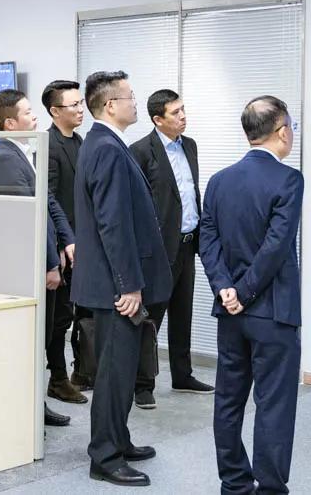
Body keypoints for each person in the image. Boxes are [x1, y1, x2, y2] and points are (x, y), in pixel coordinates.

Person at [71, 71, 172, 488]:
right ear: (111, 105)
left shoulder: (105, 144)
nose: (135, 102)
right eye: (130, 96)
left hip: (112, 281)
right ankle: (105, 456)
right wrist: (128, 285)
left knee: (123, 369)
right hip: (115, 287)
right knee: (114, 374)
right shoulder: (107, 149)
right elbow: (112, 223)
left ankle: (119, 439)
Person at [199, 96, 304, 495]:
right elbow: (276, 247)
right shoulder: (288, 179)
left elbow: (207, 240)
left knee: (228, 400)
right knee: (273, 403)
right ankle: (270, 488)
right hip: (272, 311)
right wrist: (243, 292)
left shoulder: (219, 180)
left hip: (229, 312)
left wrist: (225, 288)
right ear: (282, 132)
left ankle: (234, 484)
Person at [0, 88, 76, 429]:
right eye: (27, 112)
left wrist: (68, 239)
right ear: (10, 123)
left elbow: (48, 202)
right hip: (28, 265)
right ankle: (27, 412)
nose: (35, 116)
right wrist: (50, 264)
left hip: (44, 258)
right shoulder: (5, 159)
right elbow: (28, 220)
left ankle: (36, 404)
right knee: (31, 342)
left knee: (43, 338)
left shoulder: (22, 151)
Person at [129, 89, 214, 410]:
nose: (183, 116)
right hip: (158, 250)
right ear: (157, 119)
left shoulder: (189, 145)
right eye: (175, 113)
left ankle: (182, 375)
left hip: (188, 244)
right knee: (152, 317)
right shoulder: (140, 151)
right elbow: (137, 205)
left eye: (183, 109)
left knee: (182, 313)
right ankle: (143, 383)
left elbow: (189, 193)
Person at [41, 80, 89, 403]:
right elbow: (49, 200)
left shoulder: (79, 141)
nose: (80, 109)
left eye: (81, 103)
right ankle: (57, 378)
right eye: (74, 105)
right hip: (63, 245)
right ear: (55, 111)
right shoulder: (49, 145)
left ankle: (80, 371)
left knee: (76, 313)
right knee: (59, 318)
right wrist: (59, 244)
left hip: (81, 242)